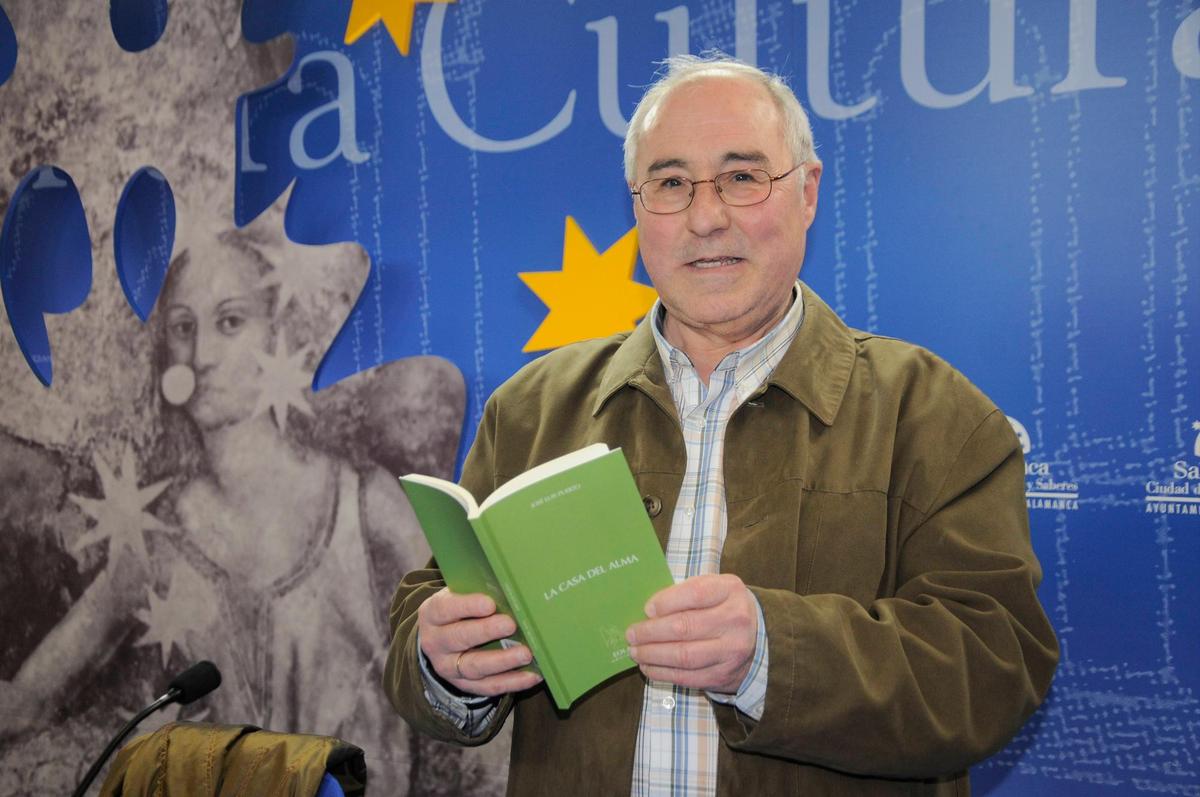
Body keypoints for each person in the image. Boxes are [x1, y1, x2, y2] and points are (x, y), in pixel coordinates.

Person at [384, 54, 1059, 795]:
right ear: (638, 208)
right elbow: (428, 616)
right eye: (671, 184)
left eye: (742, 177)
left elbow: (996, 665)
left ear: (807, 192)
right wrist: (442, 659)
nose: (705, 218)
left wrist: (773, 653)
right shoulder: (530, 408)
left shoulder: (934, 414)